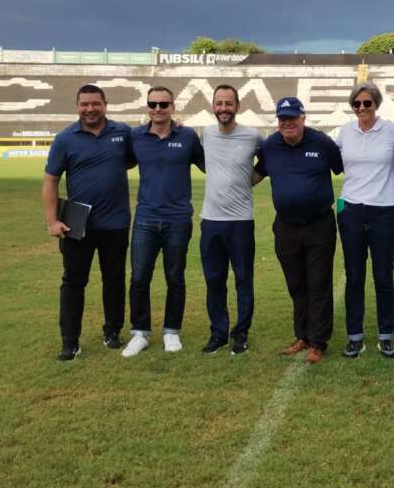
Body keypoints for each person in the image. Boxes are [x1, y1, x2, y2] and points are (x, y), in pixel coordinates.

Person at [42, 84, 134, 361]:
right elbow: (50, 180)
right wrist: (52, 220)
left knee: (114, 280)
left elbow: (132, 160)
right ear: (77, 106)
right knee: (73, 282)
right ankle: (70, 341)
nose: (90, 109)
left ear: (105, 105)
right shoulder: (65, 139)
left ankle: (112, 331)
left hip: (116, 222)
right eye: (85, 104)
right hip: (76, 224)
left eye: (96, 103)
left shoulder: (123, 133)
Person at [254, 96, 343, 364]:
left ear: (303, 118)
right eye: (283, 118)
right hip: (286, 227)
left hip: (319, 225)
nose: (288, 122)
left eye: (292, 117)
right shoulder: (270, 146)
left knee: (319, 283)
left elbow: (344, 170)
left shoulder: (322, 143)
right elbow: (257, 174)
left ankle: (318, 342)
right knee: (296, 285)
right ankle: (302, 335)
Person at [122, 86, 205, 357]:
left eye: (163, 104)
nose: (158, 109)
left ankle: (171, 331)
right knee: (139, 278)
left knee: (175, 277)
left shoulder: (188, 136)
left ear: (173, 107)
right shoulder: (135, 137)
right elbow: (120, 163)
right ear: (147, 106)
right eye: (153, 104)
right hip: (145, 218)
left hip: (178, 219)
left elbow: (209, 165)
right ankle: (140, 333)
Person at [335, 81, 394, 359]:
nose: (362, 108)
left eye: (367, 103)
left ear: (376, 103)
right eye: (357, 103)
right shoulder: (345, 131)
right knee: (354, 276)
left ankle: (386, 335)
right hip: (350, 210)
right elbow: (336, 164)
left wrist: (388, 183)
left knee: (383, 275)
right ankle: (355, 336)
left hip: (384, 211)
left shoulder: (391, 129)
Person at [199, 84, 264, 356]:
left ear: (237, 106)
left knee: (243, 279)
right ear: (213, 106)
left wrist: (248, 182)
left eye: (229, 103)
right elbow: (205, 164)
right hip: (211, 220)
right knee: (214, 280)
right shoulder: (206, 133)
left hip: (240, 221)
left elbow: (267, 162)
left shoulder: (252, 136)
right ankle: (218, 333)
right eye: (219, 103)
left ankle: (240, 334)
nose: (223, 108)